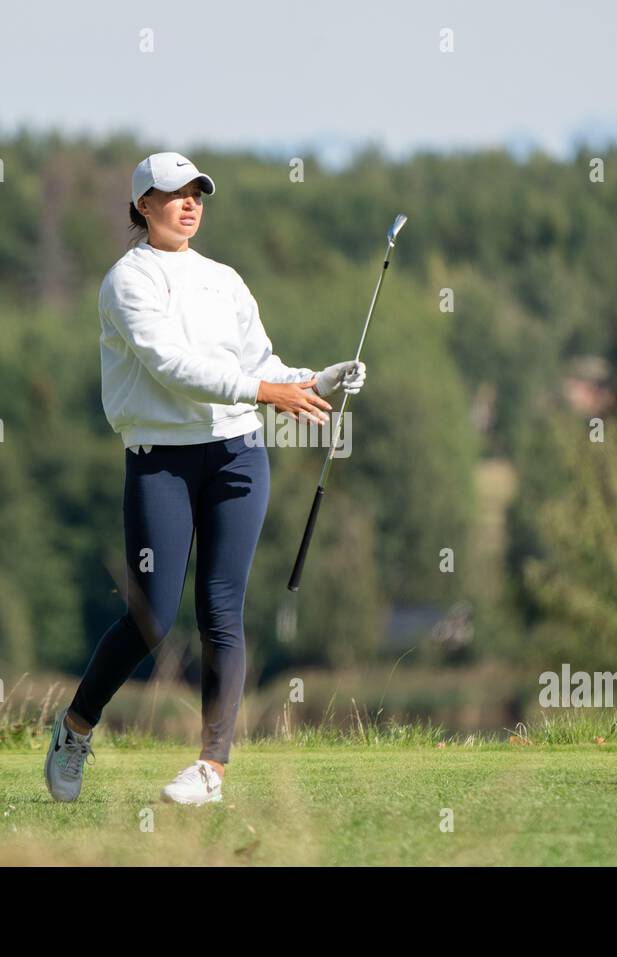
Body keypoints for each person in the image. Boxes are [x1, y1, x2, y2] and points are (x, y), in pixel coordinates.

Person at [44, 151, 367, 806]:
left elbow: (260, 362)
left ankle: (211, 767)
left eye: (198, 193)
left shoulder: (225, 280)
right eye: (174, 193)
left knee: (222, 609)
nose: (190, 203)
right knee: (152, 618)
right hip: (160, 458)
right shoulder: (127, 282)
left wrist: (319, 378)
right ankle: (75, 728)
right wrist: (270, 390)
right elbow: (173, 366)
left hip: (237, 453)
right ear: (142, 205)